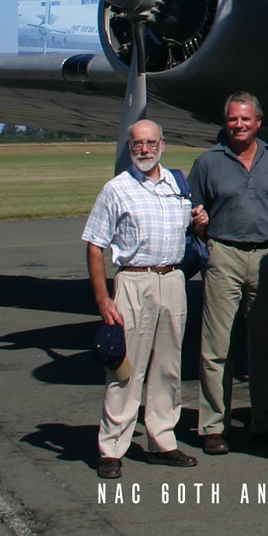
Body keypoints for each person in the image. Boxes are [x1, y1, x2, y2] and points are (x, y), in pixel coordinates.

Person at [83, 119, 199, 477]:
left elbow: (189, 230)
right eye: (137, 144)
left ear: (162, 144)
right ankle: (111, 448)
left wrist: (201, 222)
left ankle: (162, 442)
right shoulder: (116, 189)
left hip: (173, 278)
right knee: (125, 368)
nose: (145, 150)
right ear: (129, 148)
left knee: (168, 367)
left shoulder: (178, 185)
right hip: (134, 279)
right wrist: (103, 299)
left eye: (151, 143)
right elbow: (95, 246)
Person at [189, 92, 268, 455]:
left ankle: (265, 421)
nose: (239, 125)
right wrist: (198, 223)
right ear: (225, 121)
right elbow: (193, 208)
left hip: (265, 257)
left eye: (246, 119)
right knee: (216, 347)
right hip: (224, 254)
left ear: (258, 122)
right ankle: (213, 426)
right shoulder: (207, 162)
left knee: (265, 346)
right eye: (233, 118)